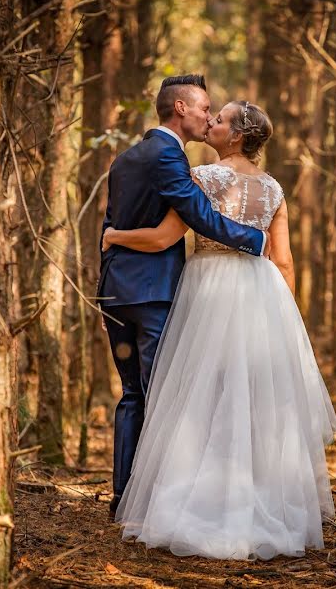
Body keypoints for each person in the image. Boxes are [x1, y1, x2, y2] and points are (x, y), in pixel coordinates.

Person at [104, 100, 336, 560]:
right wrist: (285, 318)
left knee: (200, 402)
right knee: (252, 403)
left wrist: (115, 235)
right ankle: (258, 506)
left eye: (220, 118)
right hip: (262, 292)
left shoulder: (204, 178)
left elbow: (162, 238)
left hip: (210, 287)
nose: (210, 121)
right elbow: (284, 260)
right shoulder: (273, 188)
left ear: (235, 136)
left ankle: (202, 507)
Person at [98, 75, 270, 519]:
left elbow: (112, 224)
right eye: (203, 107)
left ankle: (124, 500)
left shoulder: (124, 159)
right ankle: (160, 503)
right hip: (154, 294)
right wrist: (255, 240)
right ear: (180, 108)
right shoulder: (168, 157)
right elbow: (196, 215)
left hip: (117, 293)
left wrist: (113, 239)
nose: (208, 115)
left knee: (133, 394)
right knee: (163, 396)